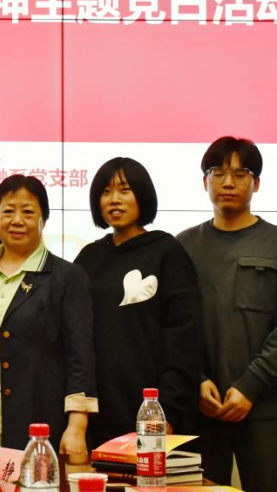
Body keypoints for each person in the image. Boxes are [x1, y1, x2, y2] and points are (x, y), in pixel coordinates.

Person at [177, 137, 277, 492]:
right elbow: (173, 328)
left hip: (264, 409)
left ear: (256, 183)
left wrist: (250, 386)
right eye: (218, 172)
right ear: (205, 181)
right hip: (202, 409)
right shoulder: (182, 247)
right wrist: (195, 379)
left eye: (240, 173)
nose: (228, 182)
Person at [74, 157, 200, 447]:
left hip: (153, 411)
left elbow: (183, 337)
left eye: (125, 190)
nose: (114, 200)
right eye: (106, 192)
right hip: (98, 412)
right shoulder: (88, 258)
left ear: (142, 195)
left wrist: (168, 408)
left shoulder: (167, 252)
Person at [0, 174, 96, 455]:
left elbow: (81, 357)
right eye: (8, 211)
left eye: (28, 212)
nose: (17, 220)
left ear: (44, 220)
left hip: (42, 422)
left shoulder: (66, 277)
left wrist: (76, 427)